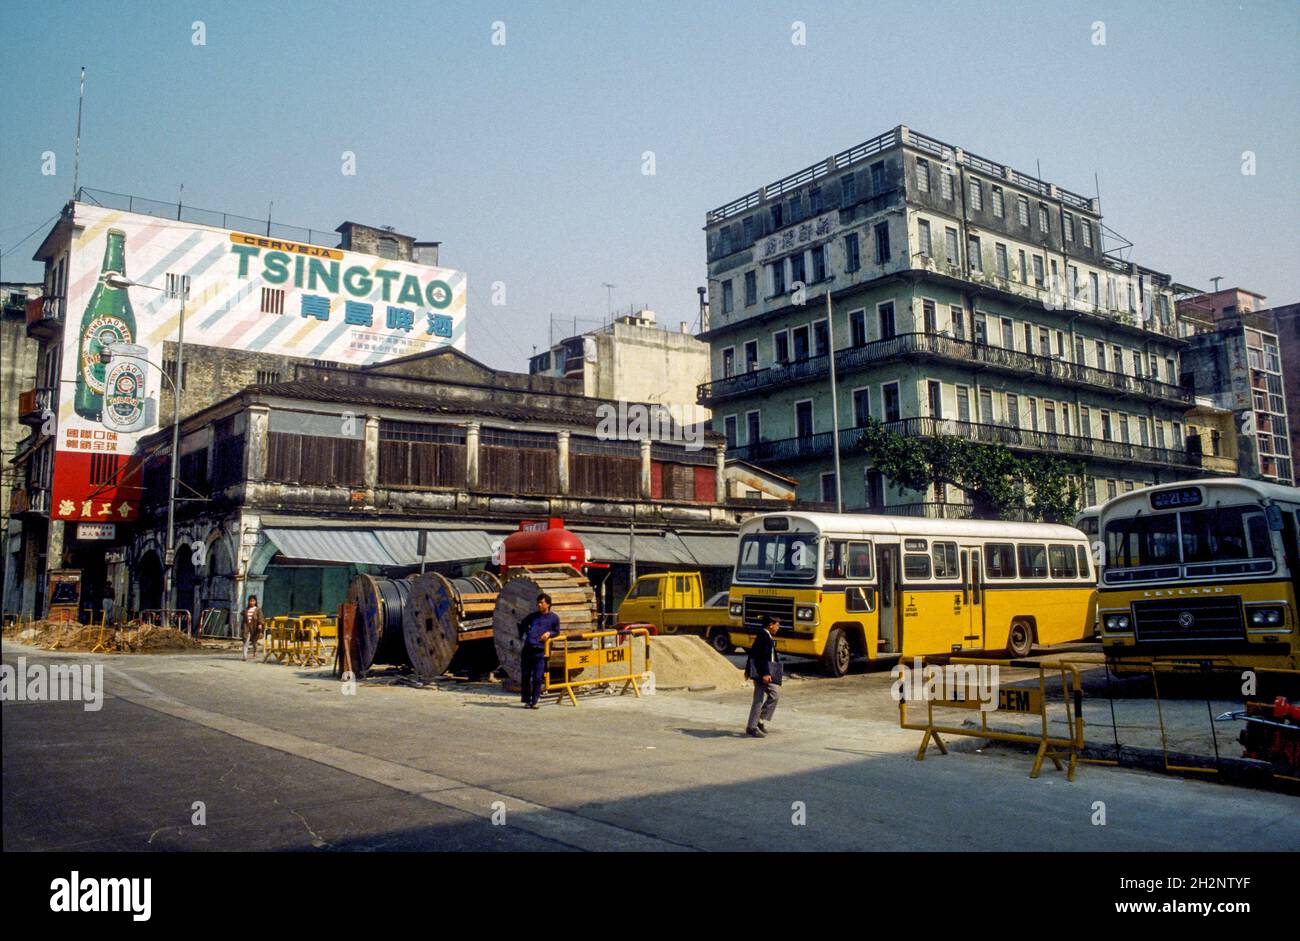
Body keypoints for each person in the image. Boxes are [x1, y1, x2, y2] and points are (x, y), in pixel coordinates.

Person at [517, 593, 560, 708]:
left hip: (540, 651)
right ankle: (526, 700)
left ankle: (535, 701)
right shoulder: (532, 616)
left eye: (541, 603)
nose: (539, 605)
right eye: (538, 603)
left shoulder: (554, 618)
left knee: (537, 677)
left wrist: (549, 633)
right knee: (526, 676)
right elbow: (522, 625)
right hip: (528, 649)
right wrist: (526, 634)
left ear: (548, 604)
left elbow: (557, 631)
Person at [745, 615, 781, 737]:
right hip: (762, 673)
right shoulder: (764, 637)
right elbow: (761, 657)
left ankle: (758, 721)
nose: (778, 627)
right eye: (777, 625)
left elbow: (753, 653)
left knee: (771, 696)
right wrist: (765, 673)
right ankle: (752, 726)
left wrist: (747, 670)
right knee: (761, 698)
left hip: (766, 671)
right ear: (770, 625)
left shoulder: (765, 635)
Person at [242, 595, 265, 661]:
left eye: (253, 601)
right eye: (250, 601)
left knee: (254, 641)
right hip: (246, 627)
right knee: (245, 640)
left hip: (254, 627)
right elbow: (243, 620)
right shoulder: (246, 610)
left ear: (255, 602)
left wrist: (260, 624)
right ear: (248, 601)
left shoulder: (258, 610)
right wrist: (242, 627)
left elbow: (260, 617)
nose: (251, 602)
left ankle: (255, 651)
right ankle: (244, 656)